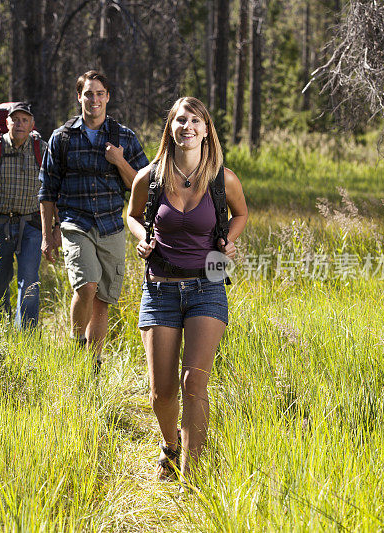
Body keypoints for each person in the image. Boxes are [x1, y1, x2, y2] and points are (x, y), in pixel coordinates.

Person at [126, 96, 248, 482]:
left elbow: (241, 213)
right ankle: (170, 447)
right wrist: (143, 236)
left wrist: (228, 238)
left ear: (206, 129)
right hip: (160, 290)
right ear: (171, 129)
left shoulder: (222, 178)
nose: (187, 127)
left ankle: (192, 480)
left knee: (193, 382)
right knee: (162, 393)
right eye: (180, 120)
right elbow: (131, 215)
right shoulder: (151, 176)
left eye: (195, 120)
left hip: (207, 288)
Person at [39, 70, 149, 363]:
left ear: (108, 97)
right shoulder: (62, 137)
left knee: (103, 299)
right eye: (88, 93)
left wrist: (119, 160)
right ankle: (76, 346)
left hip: (111, 225)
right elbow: (47, 189)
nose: (94, 99)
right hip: (76, 223)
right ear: (79, 97)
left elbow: (142, 185)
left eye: (100, 93)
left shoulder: (123, 136)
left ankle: (94, 362)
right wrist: (47, 235)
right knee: (86, 285)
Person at [0, 102, 48, 329]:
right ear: (7, 123)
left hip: (31, 225)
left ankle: (26, 339)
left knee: (30, 284)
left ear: (32, 124)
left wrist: (54, 228)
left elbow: (54, 191)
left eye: (25, 120)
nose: (20, 124)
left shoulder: (41, 150)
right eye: (16, 120)